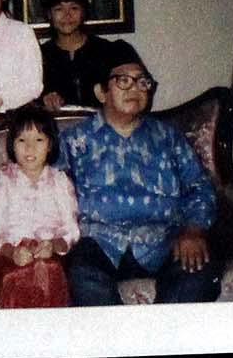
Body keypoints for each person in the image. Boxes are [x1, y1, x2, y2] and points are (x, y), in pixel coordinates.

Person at [58, 52, 220, 305]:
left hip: (164, 239)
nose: (135, 88)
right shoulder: (74, 141)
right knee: (81, 274)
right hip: (98, 241)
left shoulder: (168, 137)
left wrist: (193, 230)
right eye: (124, 80)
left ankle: (164, 332)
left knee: (198, 272)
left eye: (143, 82)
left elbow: (199, 186)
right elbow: (47, 188)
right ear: (101, 92)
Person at [0, 106, 79, 308]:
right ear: (12, 144)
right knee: (20, 278)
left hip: (50, 255)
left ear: (50, 145)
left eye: (39, 140)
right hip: (11, 257)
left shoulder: (60, 181)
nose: (30, 148)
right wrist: (13, 252)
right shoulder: (3, 180)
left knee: (49, 271)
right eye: (22, 140)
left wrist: (53, 245)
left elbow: (72, 231)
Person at [36, 0, 131, 111]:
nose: (67, 15)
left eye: (74, 8)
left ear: (83, 12)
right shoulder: (37, 57)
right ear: (49, 14)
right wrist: (43, 101)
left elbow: (139, 90)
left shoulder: (113, 51)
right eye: (59, 9)